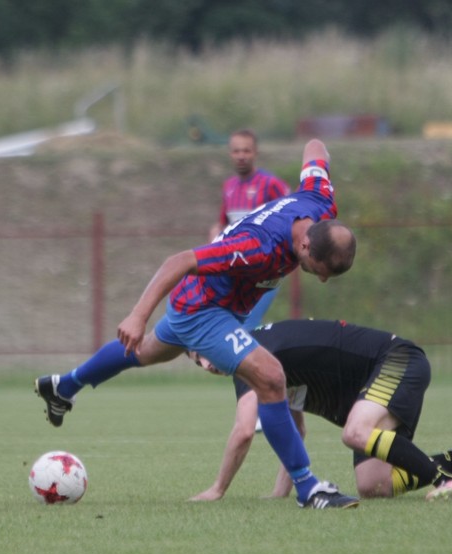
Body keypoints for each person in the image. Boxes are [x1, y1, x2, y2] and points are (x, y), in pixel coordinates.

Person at [36, 138, 362, 509]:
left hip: (205, 304)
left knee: (144, 353)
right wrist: (138, 314)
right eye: (318, 271)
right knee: (271, 378)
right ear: (304, 246)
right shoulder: (257, 247)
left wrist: (321, 154)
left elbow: (315, 145)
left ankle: (64, 387)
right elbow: (180, 260)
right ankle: (309, 488)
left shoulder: (320, 199)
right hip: (204, 309)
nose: (319, 280)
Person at [188, 319, 452, 502]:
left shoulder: (249, 357)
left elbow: (244, 432)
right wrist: (280, 491)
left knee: (355, 433)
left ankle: (446, 483)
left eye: (205, 352)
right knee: (373, 485)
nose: (207, 364)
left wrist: (217, 489)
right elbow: (294, 431)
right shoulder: (260, 357)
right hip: (381, 375)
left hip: (397, 360)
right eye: (196, 360)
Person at [209, 129, 293, 331]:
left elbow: (293, 212)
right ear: (230, 153)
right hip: (236, 270)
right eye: (236, 151)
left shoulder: (270, 184)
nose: (241, 156)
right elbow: (222, 223)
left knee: (244, 328)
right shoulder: (229, 186)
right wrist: (214, 238)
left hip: (264, 271)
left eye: (246, 151)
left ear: (255, 152)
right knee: (236, 327)